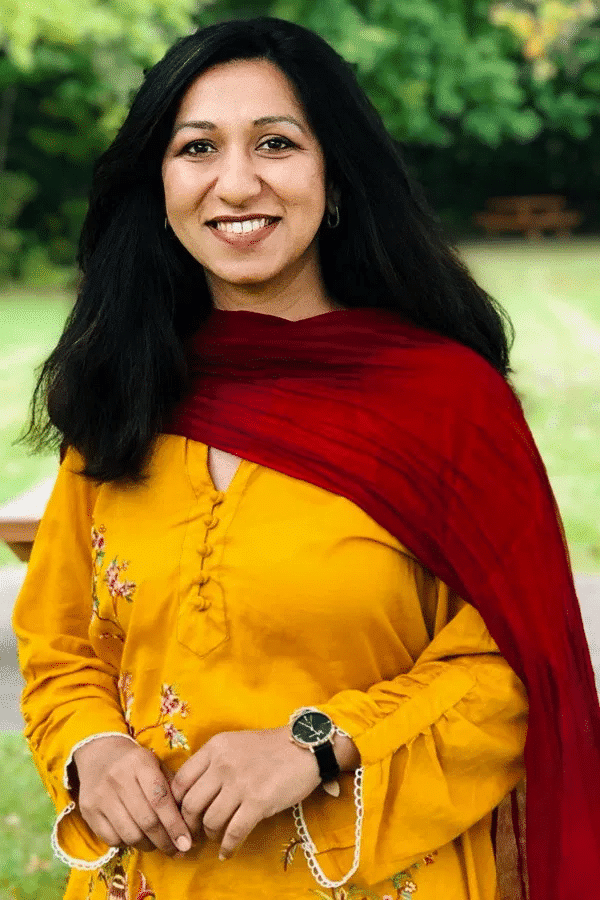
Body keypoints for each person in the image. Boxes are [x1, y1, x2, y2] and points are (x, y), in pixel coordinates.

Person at [12, 16, 600, 900]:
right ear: (160, 186)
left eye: (276, 143)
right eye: (197, 147)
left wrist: (317, 745)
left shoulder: (443, 402)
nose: (235, 180)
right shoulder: (123, 390)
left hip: (371, 875)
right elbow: (58, 640)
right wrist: (92, 747)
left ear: (334, 181)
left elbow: (514, 667)